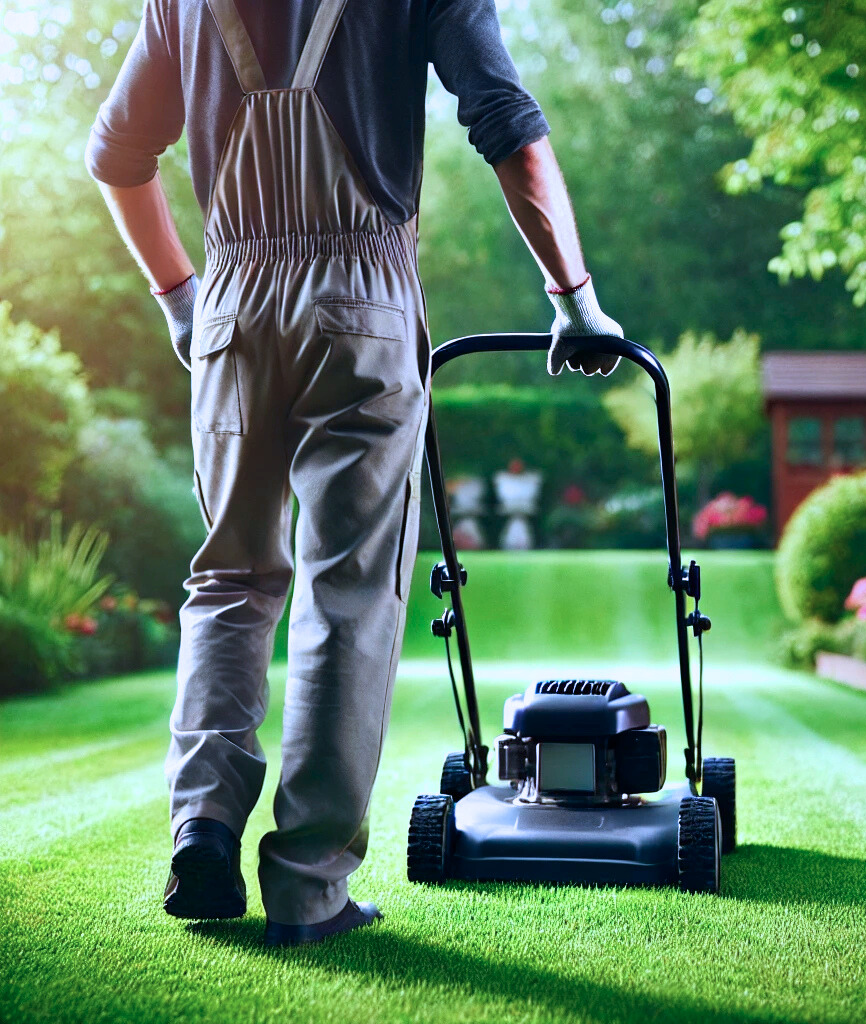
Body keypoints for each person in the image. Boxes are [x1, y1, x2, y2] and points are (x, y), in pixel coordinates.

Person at [86, 0, 623, 947]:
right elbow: (506, 119)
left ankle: (200, 826)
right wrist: (574, 298)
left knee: (229, 579)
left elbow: (117, 158)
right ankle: (307, 889)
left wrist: (182, 298)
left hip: (233, 308)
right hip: (360, 299)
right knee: (346, 597)